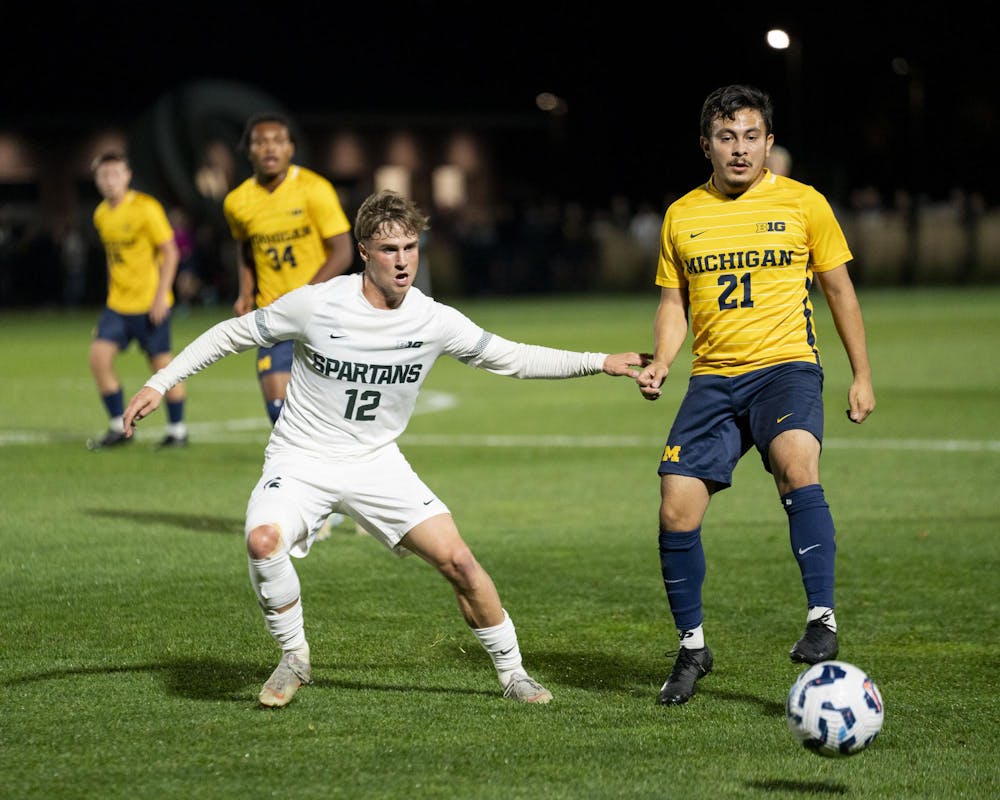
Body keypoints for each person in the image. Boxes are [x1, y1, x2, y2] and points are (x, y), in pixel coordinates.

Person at [123, 189, 646, 708]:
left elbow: (510, 357)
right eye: (390, 249)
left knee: (461, 562)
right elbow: (229, 335)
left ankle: (514, 674)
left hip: (376, 465)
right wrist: (159, 382)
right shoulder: (316, 304)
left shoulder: (432, 319)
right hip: (301, 459)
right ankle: (294, 657)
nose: (403, 261)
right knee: (262, 541)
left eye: (411, 248)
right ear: (364, 252)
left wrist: (599, 361)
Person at [635, 85, 875, 705]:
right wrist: (663, 359)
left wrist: (861, 373)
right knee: (675, 508)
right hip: (712, 380)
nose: (738, 149)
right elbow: (672, 302)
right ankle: (691, 648)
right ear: (705, 145)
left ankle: (821, 619)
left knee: (797, 464)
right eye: (725, 137)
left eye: (750, 136)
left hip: (785, 368)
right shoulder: (682, 214)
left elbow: (840, 291)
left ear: (768, 141)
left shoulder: (803, 204)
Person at [223, 112, 355, 535]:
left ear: (291, 147)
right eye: (261, 142)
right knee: (281, 416)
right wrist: (245, 292)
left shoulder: (315, 189)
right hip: (273, 320)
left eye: (278, 140)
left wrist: (306, 296)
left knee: (337, 414)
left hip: (325, 316)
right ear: (249, 150)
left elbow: (341, 251)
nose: (270, 148)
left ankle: (352, 496)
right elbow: (246, 250)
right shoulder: (237, 202)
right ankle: (318, 506)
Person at [87, 152, 188, 450]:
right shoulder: (101, 214)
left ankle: (177, 430)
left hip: (148, 305)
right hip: (118, 306)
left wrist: (162, 297)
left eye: (115, 174)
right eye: (103, 175)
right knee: (99, 358)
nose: (109, 181)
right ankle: (119, 427)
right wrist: (108, 300)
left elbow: (170, 252)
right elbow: (112, 261)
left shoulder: (146, 208)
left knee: (163, 368)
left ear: (127, 175)